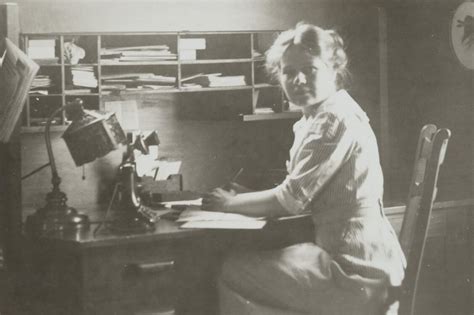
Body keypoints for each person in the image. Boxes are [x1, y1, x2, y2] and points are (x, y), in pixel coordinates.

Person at [202, 22, 406, 315]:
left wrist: (228, 204)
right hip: (360, 263)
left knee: (230, 269)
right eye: (288, 72)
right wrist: (248, 196)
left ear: (333, 70)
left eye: (309, 70)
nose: (297, 80)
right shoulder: (319, 118)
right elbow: (304, 194)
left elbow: (291, 200)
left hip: (358, 274)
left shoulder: (332, 120)